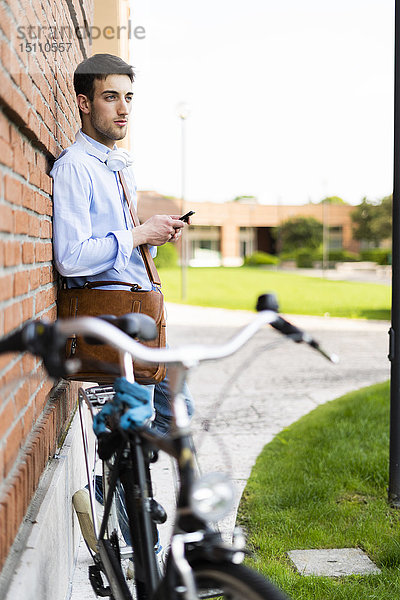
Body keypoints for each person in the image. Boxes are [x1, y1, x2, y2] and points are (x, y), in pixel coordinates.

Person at [51, 53, 193, 554]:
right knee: (149, 430)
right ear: (85, 103)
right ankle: (144, 554)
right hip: (109, 324)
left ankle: (108, 506)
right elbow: (71, 257)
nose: (123, 109)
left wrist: (152, 238)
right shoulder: (75, 168)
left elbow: (119, 247)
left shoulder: (117, 168)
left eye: (129, 97)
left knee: (174, 417)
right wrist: (136, 234)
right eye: (111, 97)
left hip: (137, 321)